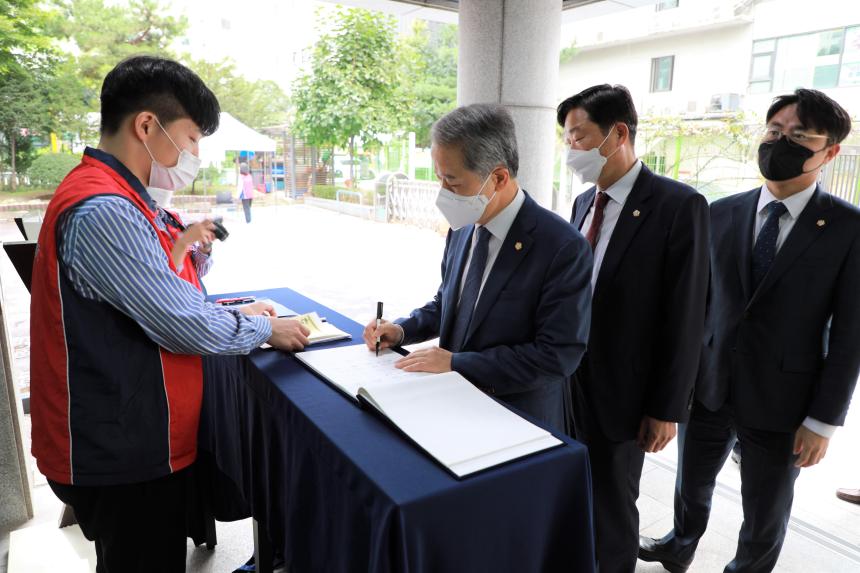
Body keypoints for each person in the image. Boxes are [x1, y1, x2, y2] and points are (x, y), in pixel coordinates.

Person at [29, 55, 310, 573]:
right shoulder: (104, 209)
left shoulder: (127, 199)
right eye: (193, 138)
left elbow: (162, 294)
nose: (194, 154)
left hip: (136, 434)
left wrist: (231, 307)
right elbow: (179, 323)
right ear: (146, 125)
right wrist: (264, 329)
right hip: (120, 448)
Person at [639, 88, 860, 573]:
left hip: (786, 400)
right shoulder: (721, 212)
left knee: (766, 506)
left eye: (799, 136)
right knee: (690, 483)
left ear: (830, 151)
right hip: (710, 384)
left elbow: (850, 335)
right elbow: (696, 309)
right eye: (775, 132)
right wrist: (675, 388)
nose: (780, 142)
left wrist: (823, 421)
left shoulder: (848, 228)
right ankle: (680, 545)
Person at [363, 103, 592, 431]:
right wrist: (401, 330)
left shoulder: (562, 247)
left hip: (516, 418)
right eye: (439, 178)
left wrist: (457, 363)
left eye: (452, 182)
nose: (443, 193)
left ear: (498, 178)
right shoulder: (463, 226)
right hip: (452, 406)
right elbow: (447, 304)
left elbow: (556, 355)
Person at [559, 84, 710, 572]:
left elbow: (686, 314)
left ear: (618, 133)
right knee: (572, 493)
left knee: (612, 506)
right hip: (568, 381)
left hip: (623, 393)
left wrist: (666, 408)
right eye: (566, 138)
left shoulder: (677, 205)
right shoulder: (584, 202)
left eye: (579, 136)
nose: (571, 149)